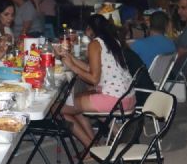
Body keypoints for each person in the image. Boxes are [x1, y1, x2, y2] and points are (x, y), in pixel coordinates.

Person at [58, 15, 135, 149]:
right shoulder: (112, 41)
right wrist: (69, 57)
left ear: (89, 29)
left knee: (59, 110)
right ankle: (106, 138)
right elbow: (91, 68)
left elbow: (94, 79)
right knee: (76, 100)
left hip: (114, 100)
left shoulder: (95, 44)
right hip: (128, 97)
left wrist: (72, 67)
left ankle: (91, 149)